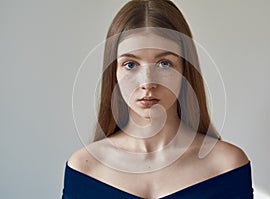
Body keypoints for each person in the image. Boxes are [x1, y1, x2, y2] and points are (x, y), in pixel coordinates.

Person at [62, 0, 253, 198]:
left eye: (164, 63)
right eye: (130, 64)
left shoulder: (227, 166)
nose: (147, 82)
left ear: (185, 70)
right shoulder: (84, 169)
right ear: (114, 73)